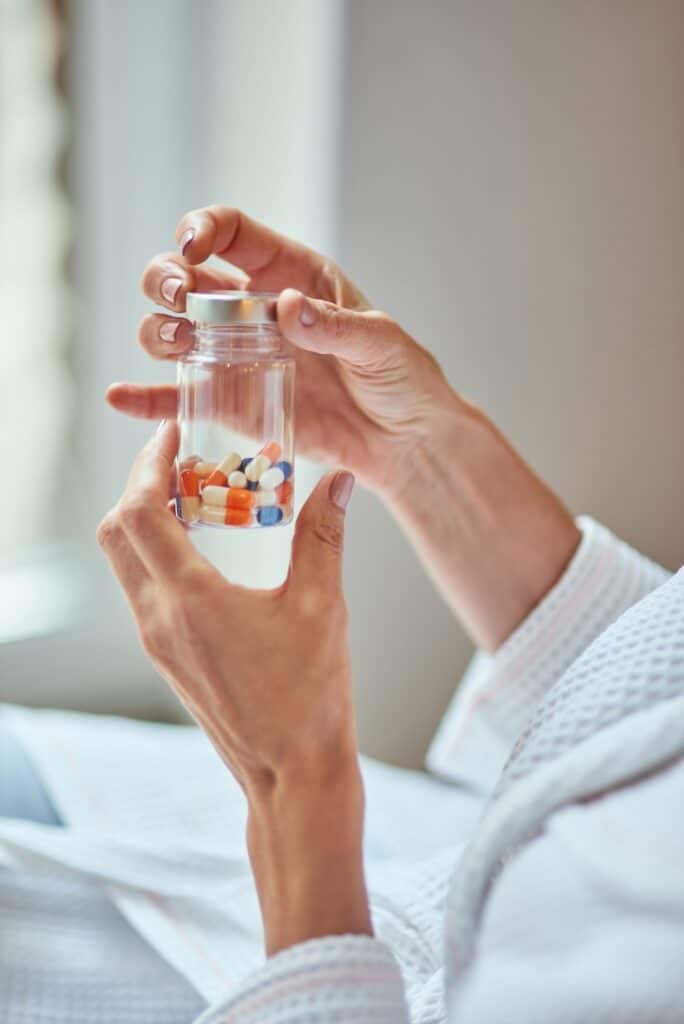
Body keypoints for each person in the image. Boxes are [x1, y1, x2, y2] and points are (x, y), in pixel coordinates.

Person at [1, 206, 682, 1023]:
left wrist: (294, 776)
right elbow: (649, 713)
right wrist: (409, 449)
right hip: (421, 871)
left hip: (321, 959)